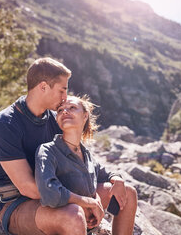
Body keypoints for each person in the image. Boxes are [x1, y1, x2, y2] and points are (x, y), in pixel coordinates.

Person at [0, 57, 85, 235]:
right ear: (43, 87)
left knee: (121, 192)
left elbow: (78, 162)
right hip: (15, 202)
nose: (65, 98)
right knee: (73, 215)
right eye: (62, 91)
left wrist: (109, 181)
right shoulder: (4, 125)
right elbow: (28, 188)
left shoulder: (54, 120)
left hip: (53, 190)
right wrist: (82, 200)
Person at [35, 95, 137, 234]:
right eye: (60, 110)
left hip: (83, 211)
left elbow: (104, 173)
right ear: (57, 120)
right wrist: (88, 203)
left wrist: (117, 178)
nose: (64, 111)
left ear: (85, 116)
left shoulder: (85, 153)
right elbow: (49, 193)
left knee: (128, 191)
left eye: (72, 108)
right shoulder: (47, 150)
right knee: (75, 212)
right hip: (63, 215)